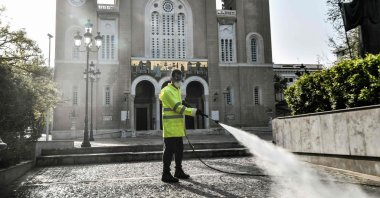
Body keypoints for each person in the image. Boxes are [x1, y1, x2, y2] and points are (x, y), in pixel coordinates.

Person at [159, 69, 202, 183]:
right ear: (171, 78)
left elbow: (180, 103)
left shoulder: (176, 90)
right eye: (177, 77)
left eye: (180, 77)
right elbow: (177, 108)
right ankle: (165, 174)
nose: (179, 80)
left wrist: (186, 104)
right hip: (170, 127)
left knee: (179, 149)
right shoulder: (167, 91)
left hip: (178, 127)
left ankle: (178, 171)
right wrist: (193, 111)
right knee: (169, 150)